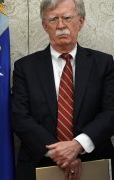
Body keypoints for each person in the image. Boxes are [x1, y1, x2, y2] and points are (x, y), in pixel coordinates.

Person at [11, 0, 114, 179]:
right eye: (53, 19)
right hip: (39, 164)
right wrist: (61, 154)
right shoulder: (25, 67)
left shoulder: (103, 64)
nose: (60, 25)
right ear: (44, 25)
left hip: (94, 163)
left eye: (67, 18)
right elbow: (19, 117)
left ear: (80, 21)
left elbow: (111, 112)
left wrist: (78, 145)